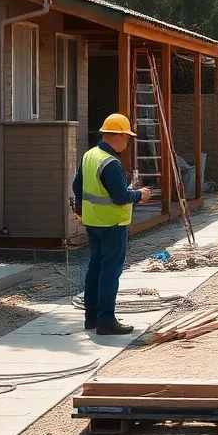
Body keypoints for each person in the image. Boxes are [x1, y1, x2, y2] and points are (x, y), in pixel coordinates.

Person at [71, 114, 153, 335]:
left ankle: (91, 317)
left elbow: (76, 186)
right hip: (112, 224)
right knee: (109, 272)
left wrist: (81, 209)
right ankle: (106, 320)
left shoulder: (89, 156)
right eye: (126, 137)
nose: (127, 142)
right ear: (116, 135)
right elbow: (120, 196)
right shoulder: (111, 162)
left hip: (92, 222)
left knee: (94, 269)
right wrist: (140, 194)